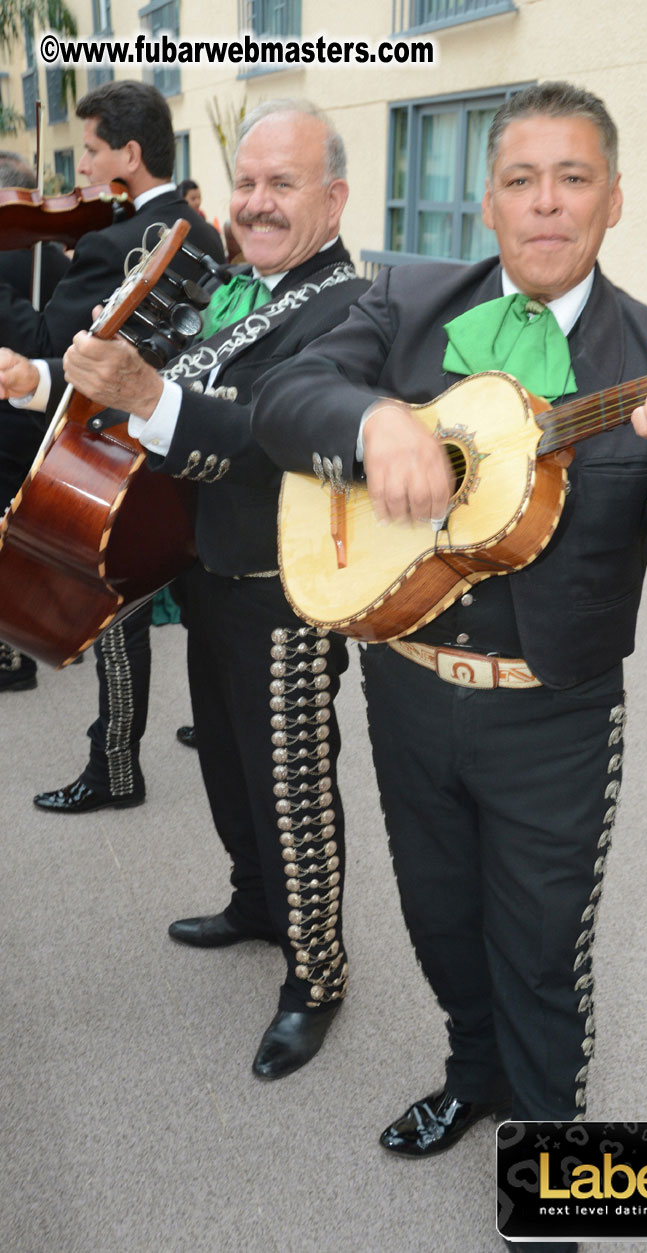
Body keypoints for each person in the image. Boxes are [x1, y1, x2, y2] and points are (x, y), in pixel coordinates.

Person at [250, 81, 647, 1247]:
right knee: (436, 918)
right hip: (405, 685)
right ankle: (471, 1077)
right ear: (486, 203)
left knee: (538, 952)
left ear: (612, 200)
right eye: (519, 179)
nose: (544, 203)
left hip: (553, 715)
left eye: (571, 178)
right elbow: (285, 397)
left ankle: (552, 1165)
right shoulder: (406, 300)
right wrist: (374, 423)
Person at [1, 98, 368, 1079]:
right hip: (206, 563)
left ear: (332, 197)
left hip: (287, 586)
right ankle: (256, 901)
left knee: (292, 781)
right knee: (229, 764)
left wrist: (147, 394)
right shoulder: (232, 287)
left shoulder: (353, 308)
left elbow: (272, 428)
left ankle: (317, 973)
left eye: (280, 183)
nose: (255, 202)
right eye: (244, 181)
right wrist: (38, 380)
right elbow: (156, 370)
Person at [0, 80, 224, 806]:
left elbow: (43, 342)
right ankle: (216, 726)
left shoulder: (110, 240)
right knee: (201, 601)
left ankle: (115, 769)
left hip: (117, 457)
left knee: (117, 613)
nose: (82, 173)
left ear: (129, 153)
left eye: (92, 152)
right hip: (192, 442)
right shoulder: (202, 229)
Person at [0, 152, 70, 691]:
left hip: (15, 407)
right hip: (48, 412)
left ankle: (13, 655)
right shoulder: (55, 257)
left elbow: (36, 338)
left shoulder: (10, 260)